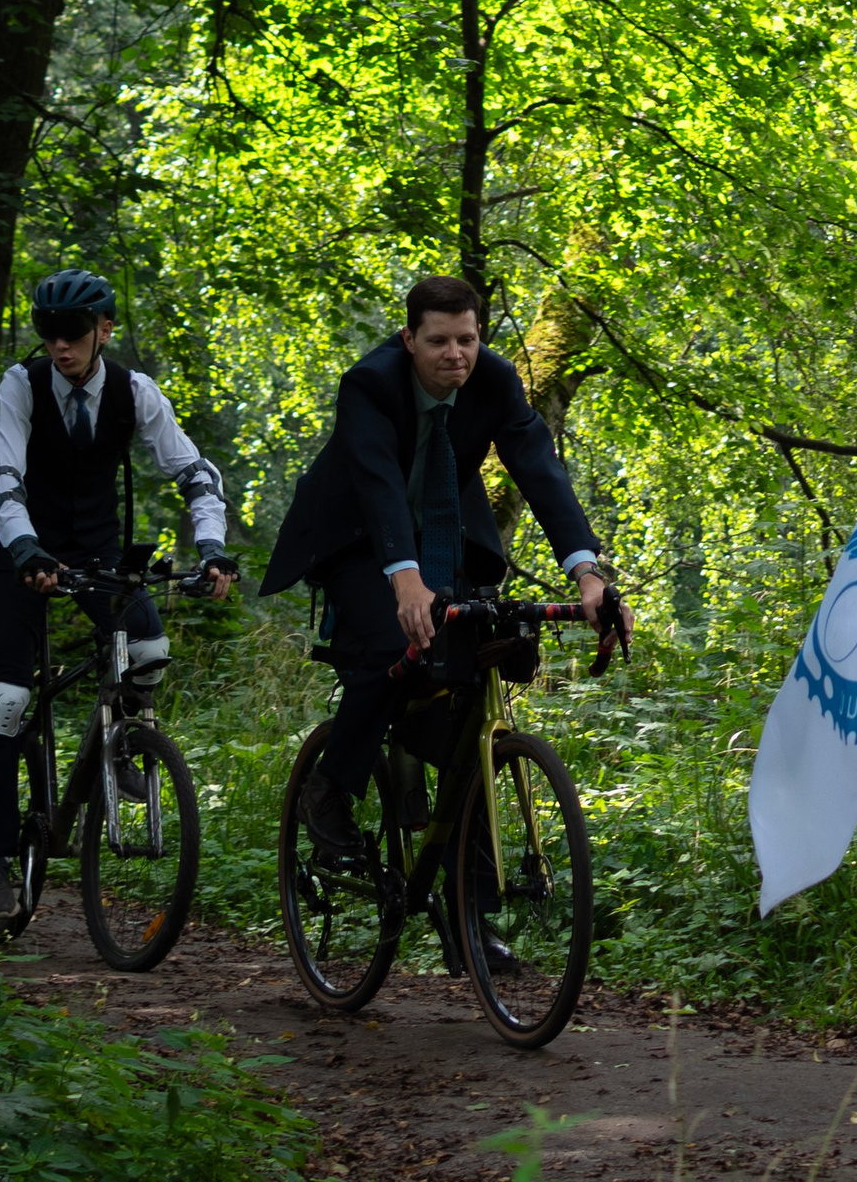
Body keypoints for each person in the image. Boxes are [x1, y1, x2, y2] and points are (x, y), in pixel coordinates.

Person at [261, 274, 615, 867]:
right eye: (439, 342)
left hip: (447, 529)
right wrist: (404, 580)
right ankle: (329, 790)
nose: (456, 355)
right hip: (355, 534)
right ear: (409, 339)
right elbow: (376, 485)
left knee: (473, 672)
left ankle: (472, 904)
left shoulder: (497, 380)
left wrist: (588, 574)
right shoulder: (369, 383)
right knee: (388, 647)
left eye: (468, 340)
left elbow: (540, 471)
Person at [0, 268, 236, 914]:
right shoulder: (21, 385)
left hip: (97, 551)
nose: (59, 345)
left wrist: (212, 548)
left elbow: (196, 471)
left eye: (73, 332)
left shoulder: (135, 391)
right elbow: (3, 478)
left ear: (104, 329)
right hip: (21, 546)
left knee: (149, 650)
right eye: (48, 332)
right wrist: (25, 547)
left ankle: (119, 746)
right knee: (8, 699)